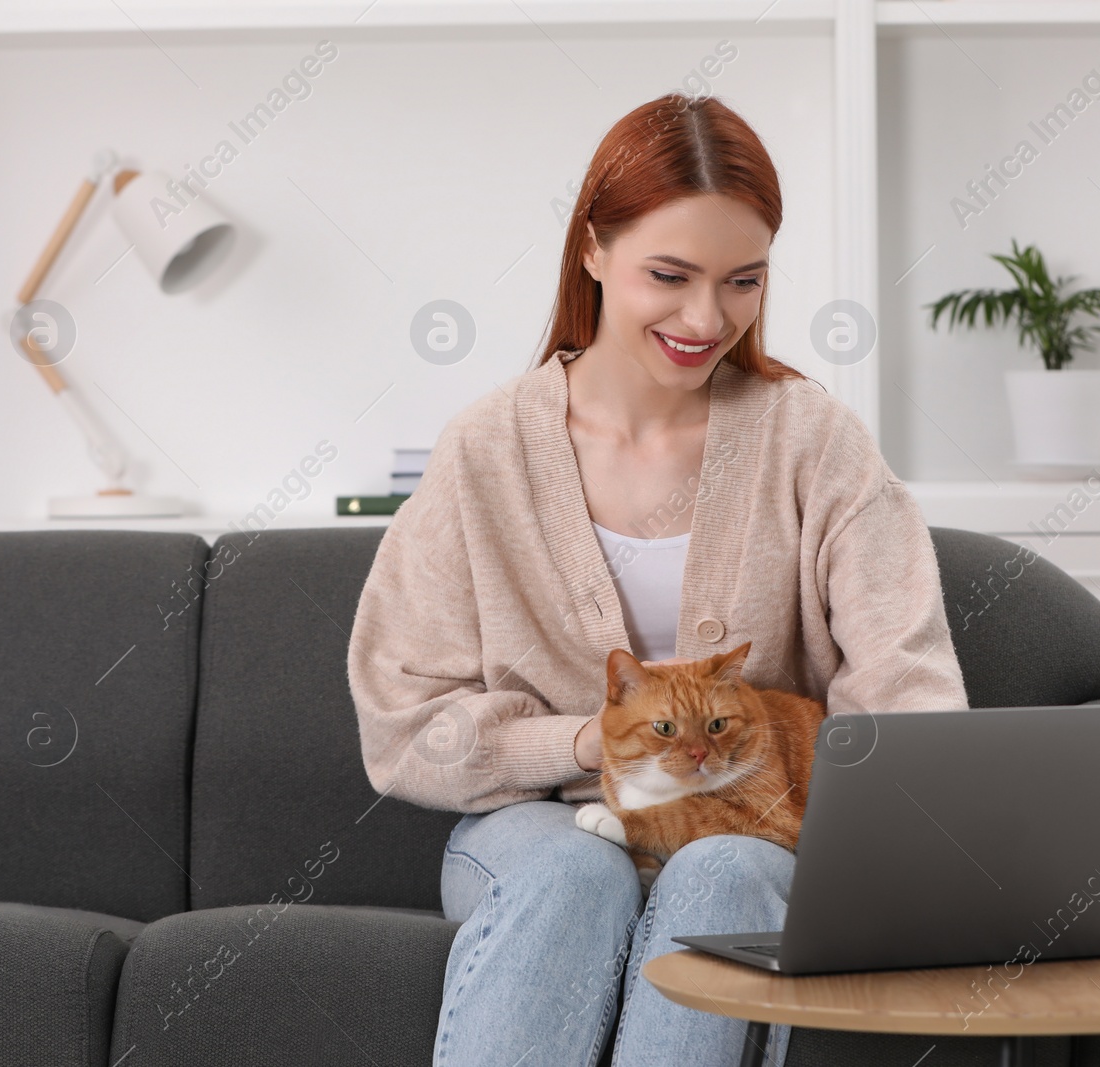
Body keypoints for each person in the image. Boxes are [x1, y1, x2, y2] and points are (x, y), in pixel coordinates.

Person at [346, 91, 968, 1067]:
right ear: (592, 248)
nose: (704, 317)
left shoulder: (814, 439)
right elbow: (401, 724)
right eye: (668, 275)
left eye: (743, 281)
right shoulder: (486, 449)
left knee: (720, 875)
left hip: (745, 828)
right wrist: (588, 741)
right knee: (573, 878)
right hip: (540, 826)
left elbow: (906, 685)